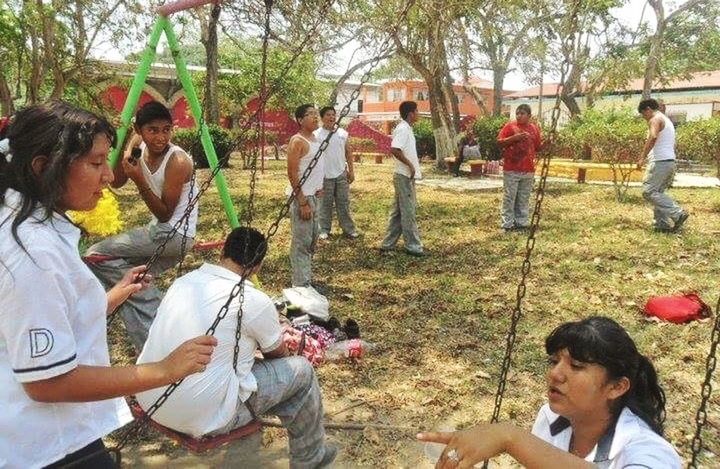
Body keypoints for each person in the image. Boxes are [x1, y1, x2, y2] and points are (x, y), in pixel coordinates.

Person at [0, 102, 216, 468]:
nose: (106, 177)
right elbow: (47, 383)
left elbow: (40, 314)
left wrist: (108, 299)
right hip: (47, 446)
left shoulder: (24, 222)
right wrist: (163, 370)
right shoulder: (32, 253)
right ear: (42, 167)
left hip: (48, 435)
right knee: (103, 253)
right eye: (96, 163)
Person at [136, 227, 336, 469]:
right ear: (257, 266)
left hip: (150, 397)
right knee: (301, 372)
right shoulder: (253, 300)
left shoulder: (183, 282)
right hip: (202, 417)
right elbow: (279, 356)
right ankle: (310, 460)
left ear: (223, 251)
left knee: (240, 363)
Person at [418, 316, 681, 469]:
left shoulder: (647, 450)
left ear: (616, 387)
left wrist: (511, 438)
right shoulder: (552, 418)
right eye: (554, 361)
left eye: (577, 366)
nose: (555, 374)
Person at [85, 101, 198, 350]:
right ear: (139, 129)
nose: (160, 137)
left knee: (95, 254)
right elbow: (117, 181)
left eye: (166, 130)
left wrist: (140, 180)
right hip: (162, 232)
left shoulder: (177, 160)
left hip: (173, 234)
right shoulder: (139, 144)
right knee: (133, 291)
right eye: (153, 130)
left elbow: (166, 213)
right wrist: (127, 142)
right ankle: (150, 350)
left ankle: (150, 299)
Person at [379, 100, 425, 257]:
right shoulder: (403, 129)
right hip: (403, 175)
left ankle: (388, 244)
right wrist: (410, 165)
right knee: (408, 211)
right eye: (417, 111)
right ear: (411, 113)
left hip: (405, 176)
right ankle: (413, 246)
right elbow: (395, 149)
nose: (418, 114)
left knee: (399, 212)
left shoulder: (406, 128)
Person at [286, 103, 325, 287]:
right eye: (310, 114)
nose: (315, 117)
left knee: (312, 239)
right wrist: (302, 201)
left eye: (316, 114)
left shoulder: (316, 140)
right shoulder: (298, 141)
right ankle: (300, 285)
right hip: (303, 198)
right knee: (301, 242)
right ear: (300, 120)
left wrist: (319, 186)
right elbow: (292, 172)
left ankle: (306, 277)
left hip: (314, 196)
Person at [638, 98, 688, 233]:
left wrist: (642, 157)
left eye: (643, 114)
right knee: (658, 193)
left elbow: (653, 137)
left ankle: (678, 213)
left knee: (649, 192)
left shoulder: (655, 119)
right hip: (669, 162)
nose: (644, 118)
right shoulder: (666, 120)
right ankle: (662, 224)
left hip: (660, 162)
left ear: (648, 109)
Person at [315, 106, 359, 240]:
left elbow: (348, 153)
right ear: (322, 118)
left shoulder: (342, 133)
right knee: (324, 204)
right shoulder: (317, 135)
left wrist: (351, 171)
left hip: (341, 174)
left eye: (333, 115)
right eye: (328, 115)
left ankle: (348, 229)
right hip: (324, 176)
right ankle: (324, 229)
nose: (331, 117)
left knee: (343, 203)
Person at [496, 104, 542, 232]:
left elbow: (538, 147)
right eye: (517, 113)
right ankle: (507, 224)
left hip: (528, 169)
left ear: (529, 115)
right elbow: (499, 142)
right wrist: (514, 138)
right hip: (512, 168)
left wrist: (548, 142)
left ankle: (521, 222)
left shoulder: (534, 128)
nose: (519, 116)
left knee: (523, 197)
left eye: (522, 113)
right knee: (510, 197)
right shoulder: (510, 126)